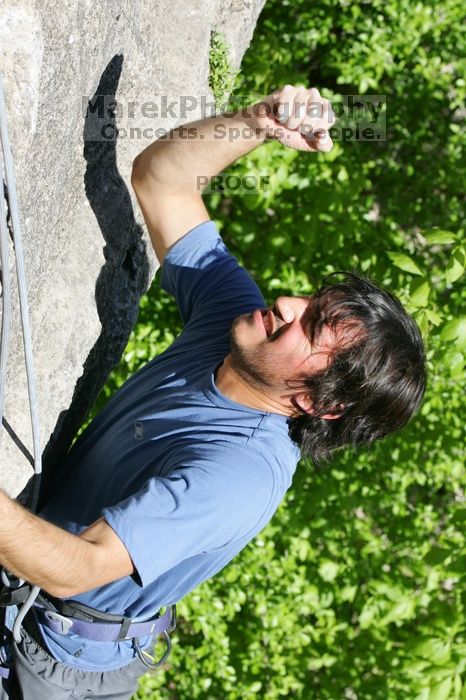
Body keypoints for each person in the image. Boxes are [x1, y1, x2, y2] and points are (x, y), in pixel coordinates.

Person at [0, 84, 426, 698]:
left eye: (309, 327)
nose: (285, 303)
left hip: (51, 652)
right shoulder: (236, 325)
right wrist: (257, 123)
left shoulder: (238, 472)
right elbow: (160, 183)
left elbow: (77, 568)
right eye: (311, 301)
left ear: (316, 402)